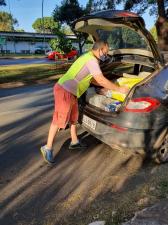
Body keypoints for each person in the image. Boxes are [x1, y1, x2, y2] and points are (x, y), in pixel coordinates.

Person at [40, 40, 129, 164]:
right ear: (100, 50)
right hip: (64, 90)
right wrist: (119, 89)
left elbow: (92, 79)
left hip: (71, 91)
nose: (106, 55)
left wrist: (106, 89)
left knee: (73, 118)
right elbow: (101, 79)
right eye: (106, 52)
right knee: (59, 118)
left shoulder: (88, 57)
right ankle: (47, 147)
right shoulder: (92, 60)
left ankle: (74, 142)